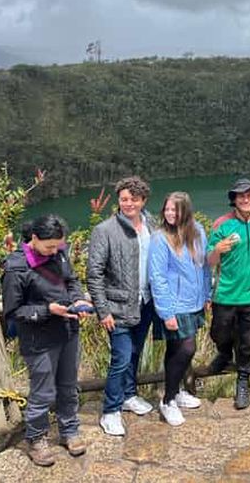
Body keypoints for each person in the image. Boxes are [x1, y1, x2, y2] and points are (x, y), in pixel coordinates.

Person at [2, 215, 92, 467]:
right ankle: (36, 438)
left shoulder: (59, 253)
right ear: (34, 238)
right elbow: (13, 312)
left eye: (58, 246)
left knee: (68, 385)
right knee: (43, 392)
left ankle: (69, 430)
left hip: (68, 330)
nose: (54, 251)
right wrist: (47, 310)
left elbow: (71, 280)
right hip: (38, 339)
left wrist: (78, 299)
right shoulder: (16, 268)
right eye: (49, 246)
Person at [88, 175, 156, 436]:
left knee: (135, 352)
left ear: (143, 200)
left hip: (145, 302)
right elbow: (94, 274)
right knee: (121, 358)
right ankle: (111, 410)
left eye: (134, 199)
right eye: (124, 199)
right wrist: (103, 310)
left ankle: (129, 395)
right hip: (117, 306)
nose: (129, 204)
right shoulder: (105, 230)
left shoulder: (151, 224)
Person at [207, 178, 250, 409]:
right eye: (240, 196)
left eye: (249, 195)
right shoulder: (222, 225)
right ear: (234, 199)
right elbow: (209, 260)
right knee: (219, 333)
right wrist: (217, 249)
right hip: (225, 293)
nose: (245, 199)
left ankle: (243, 380)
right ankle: (224, 354)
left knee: (249, 341)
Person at [148, 192, 210, 426]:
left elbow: (204, 266)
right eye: (167, 209)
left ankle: (175, 392)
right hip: (173, 304)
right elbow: (157, 277)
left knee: (176, 349)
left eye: (175, 209)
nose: (170, 214)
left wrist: (207, 293)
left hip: (194, 301)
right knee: (187, 348)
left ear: (186, 210)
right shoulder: (160, 238)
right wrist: (166, 312)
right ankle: (168, 401)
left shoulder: (198, 232)